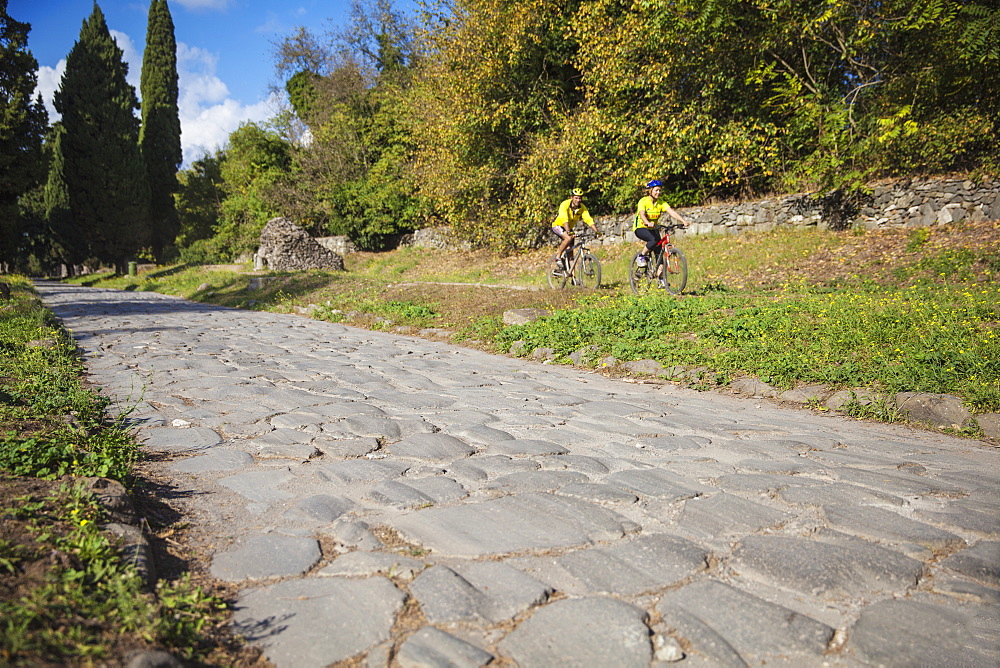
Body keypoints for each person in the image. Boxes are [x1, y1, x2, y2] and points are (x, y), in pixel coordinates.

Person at [633, 179, 689, 269]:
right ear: (650, 191)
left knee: (659, 253)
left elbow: (672, 212)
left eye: (660, 190)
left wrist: (683, 221)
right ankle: (641, 256)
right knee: (653, 240)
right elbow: (642, 214)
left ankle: (661, 280)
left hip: (653, 228)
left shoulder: (661, 203)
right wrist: (647, 223)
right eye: (656, 190)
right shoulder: (643, 201)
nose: (658, 192)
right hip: (641, 227)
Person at [551, 188, 599, 275]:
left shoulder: (582, 208)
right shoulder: (565, 204)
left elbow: (588, 219)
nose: (578, 200)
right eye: (576, 198)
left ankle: (573, 277)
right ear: (572, 197)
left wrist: (596, 231)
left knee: (571, 255)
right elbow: (564, 219)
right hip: (558, 225)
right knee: (568, 238)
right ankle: (558, 257)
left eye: (580, 198)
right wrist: (569, 231)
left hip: (569, 228)